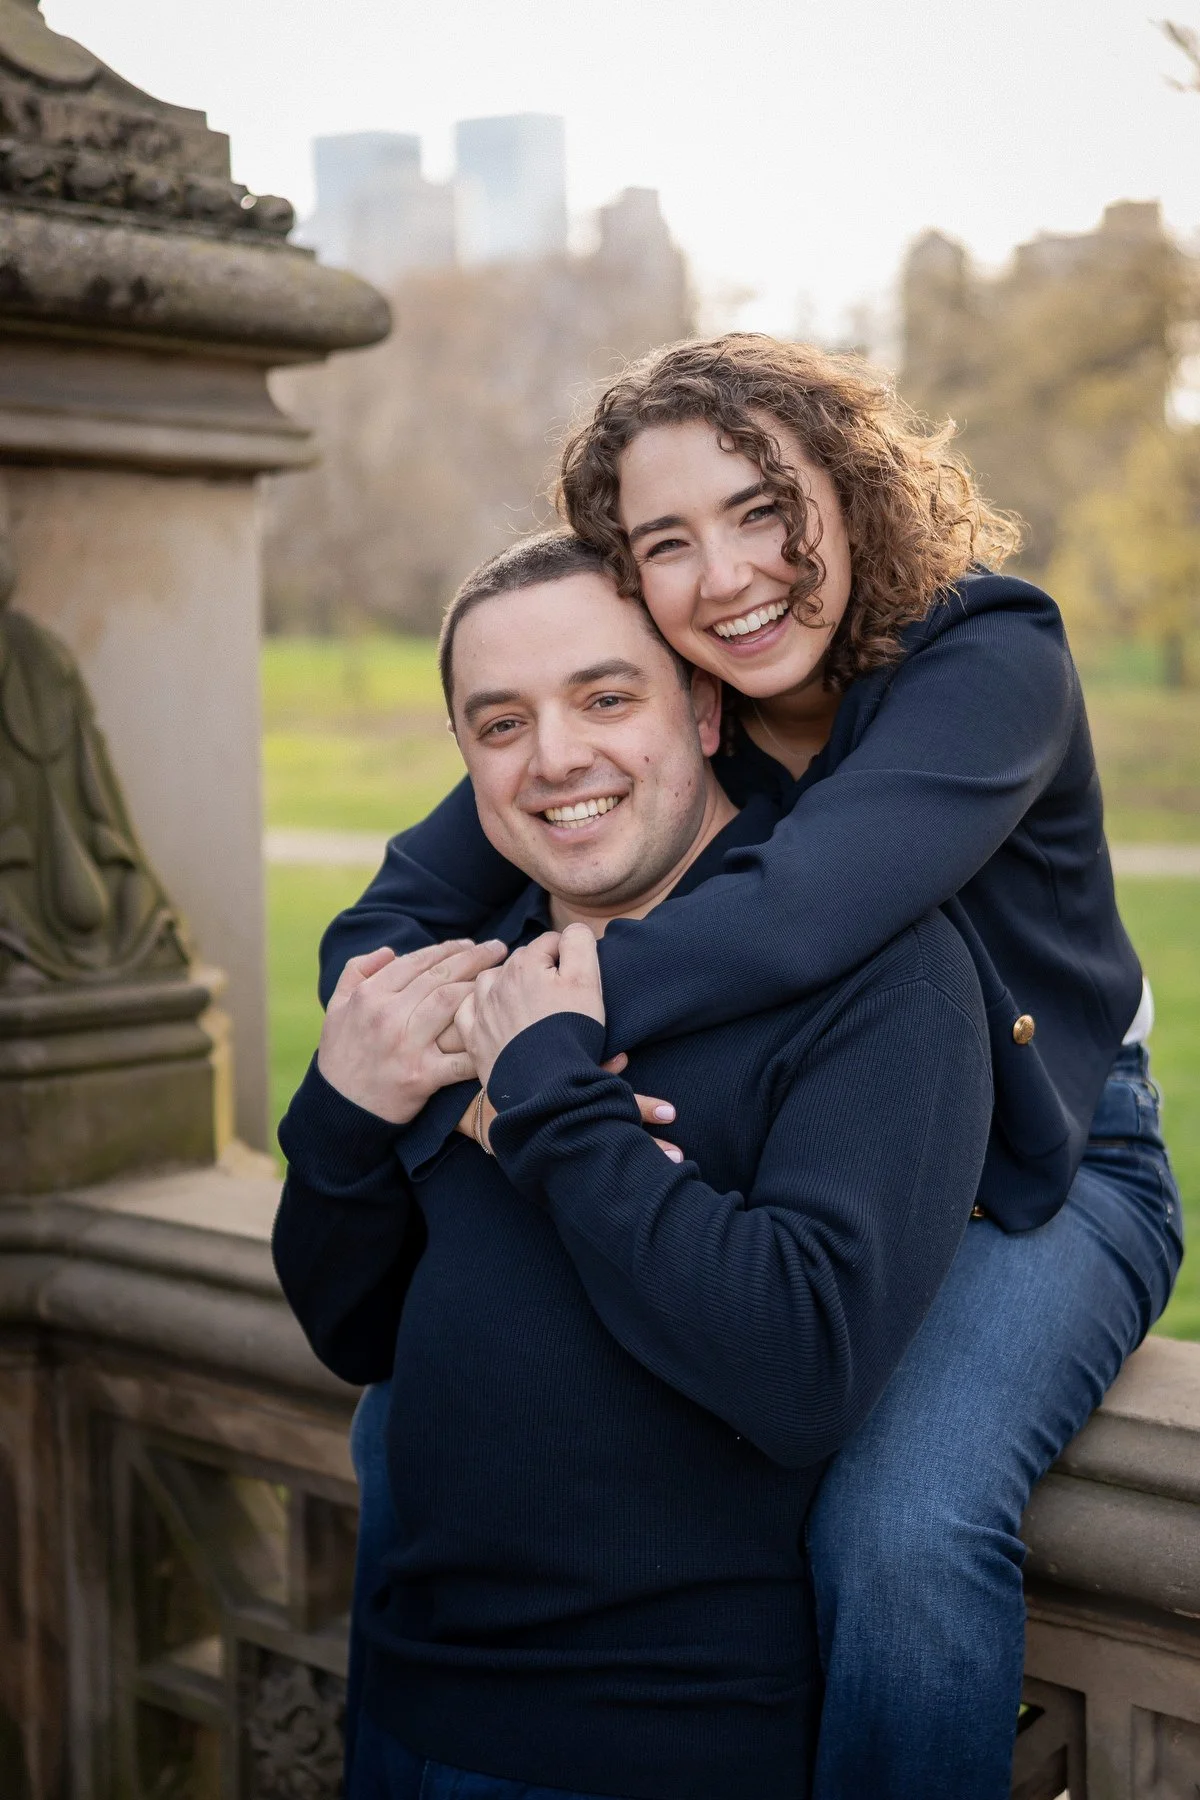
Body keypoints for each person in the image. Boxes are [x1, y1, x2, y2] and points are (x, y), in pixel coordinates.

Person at [317, 336, 1183, 1799]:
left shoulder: (990, 656)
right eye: (668, 542)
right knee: (409, 1421)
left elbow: (808, 911)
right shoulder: (664, 692)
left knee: (897, 1529)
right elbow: (392, 916)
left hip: (1042, 1171)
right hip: (799, 1137)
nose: (727, 578)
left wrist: (542, 1035)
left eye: (764, 509)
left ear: (850, 498)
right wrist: (405, 1031)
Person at [273, 533, 995, 1800]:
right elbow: (354, 1326)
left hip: (659, 1741)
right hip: (401, 1704)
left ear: (706, 708)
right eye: (500, 724)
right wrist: (344, 1111)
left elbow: (797, 1366)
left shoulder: (881, 976)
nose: (555, 759)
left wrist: (553, 1110)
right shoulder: (472, 959)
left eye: (607, 698)